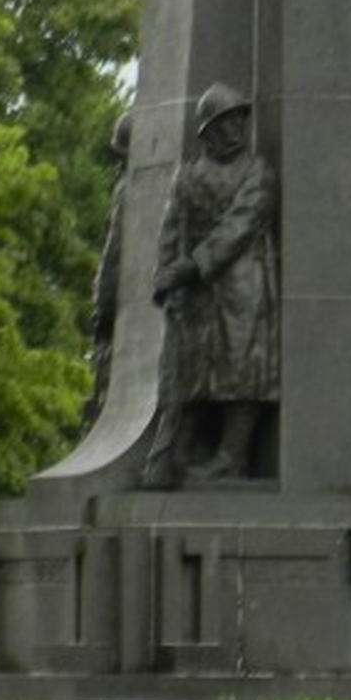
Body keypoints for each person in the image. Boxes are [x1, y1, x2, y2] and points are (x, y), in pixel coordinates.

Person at [139, 83, 280, 489]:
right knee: (198, 368)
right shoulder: (187, 176)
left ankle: (232, 457)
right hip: (197, 290)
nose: (235, 130)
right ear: (208, 131)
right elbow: (171, 228)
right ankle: (183, 449)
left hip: (244, 280)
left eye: (239, 121)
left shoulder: (258, 172)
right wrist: (164, 280)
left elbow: (241, 224)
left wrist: (189, 266)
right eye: (225, 123)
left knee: (242, 365)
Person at [82, 109, 134, 431]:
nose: (117, 166)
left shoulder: (127, 191)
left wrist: (102, 309)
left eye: (121, 157)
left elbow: (113, 257)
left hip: (122, 327)